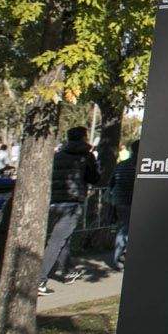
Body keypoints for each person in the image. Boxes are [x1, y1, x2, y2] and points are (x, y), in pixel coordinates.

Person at [40, 126, 101, 295]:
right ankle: (40, 280)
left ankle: (67, 271)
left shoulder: (58, 156)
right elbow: (94, 178)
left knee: (62, 239)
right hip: (72, 203)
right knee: (56, 241)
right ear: (83, 137)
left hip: (55, 202)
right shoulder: (85, 156)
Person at [110, 139, 139, 268]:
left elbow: (112, 183)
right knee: (126, 230)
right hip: (132, 201)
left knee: (123, 228)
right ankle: (119, 258)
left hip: (119, 200)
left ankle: (119, 257)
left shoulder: (121, 164)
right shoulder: (139, 165)